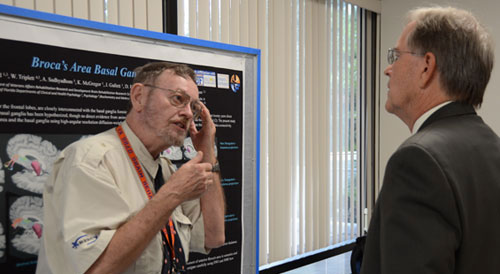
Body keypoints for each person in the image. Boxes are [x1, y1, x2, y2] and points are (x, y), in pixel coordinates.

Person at [36, 62, 226, 274]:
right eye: (178, 99)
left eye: (194, 107)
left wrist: (207, 152)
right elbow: (96, 269)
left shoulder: (164, 169)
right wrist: (172, 195)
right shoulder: (91, 160)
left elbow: (214, 236)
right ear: (139, 97)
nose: (189, 114)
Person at [360, 6, 500, 274]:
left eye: (396, 56)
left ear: (427, 66)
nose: (388, 69)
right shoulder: (493, 147)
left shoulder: (417, 162)